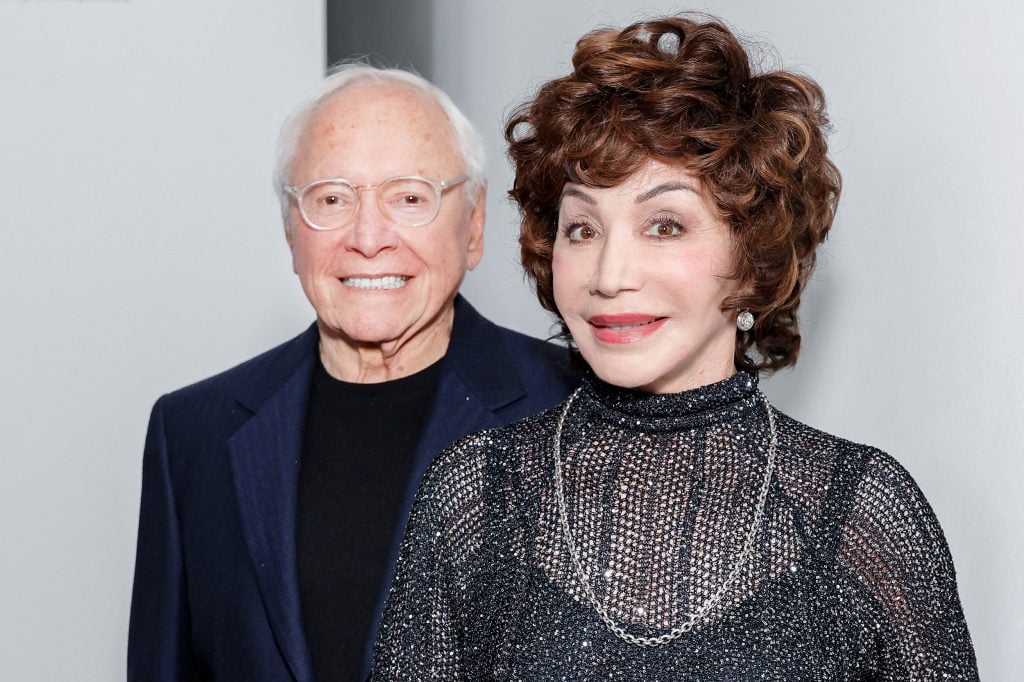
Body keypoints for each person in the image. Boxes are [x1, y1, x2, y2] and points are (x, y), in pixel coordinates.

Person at [371, 16, 978, 680]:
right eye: (582, 228)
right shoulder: (479, 495)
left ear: (753, 256)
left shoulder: (858, 511)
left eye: (665, 225)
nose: (608, 275)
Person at [127, 65, 576, 681]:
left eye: (410, 197)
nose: (368, 238)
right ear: (290, 231)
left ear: (473, 227)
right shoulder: (192, 434)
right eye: (331, 199)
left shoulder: (579, 409)